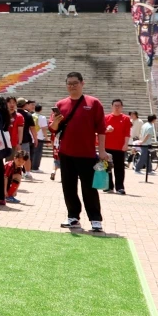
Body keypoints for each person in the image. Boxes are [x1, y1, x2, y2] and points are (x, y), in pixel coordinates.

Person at [49, 72, 108, 230]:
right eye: (69, 83)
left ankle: (95, 219)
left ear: (82, 83)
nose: (72, 86)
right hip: (66, 153)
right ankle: (73, 217)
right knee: (68, 187)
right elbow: (53, 129)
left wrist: (102, 151)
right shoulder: (61, 104)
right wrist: (55, 122)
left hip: (87, 154)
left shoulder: (93, 103)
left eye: (75, 83)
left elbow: (101, 129)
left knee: (89, 188)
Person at [103, 98, 130, 194]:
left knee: (119, 168)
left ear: (122, 107)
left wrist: (126, 144)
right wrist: (107, 130)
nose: (117, 107)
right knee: (107, 167)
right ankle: (108, 186)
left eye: (119, 106)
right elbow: (101, 131)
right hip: (107, 146)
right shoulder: (106, 118)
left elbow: (127, 133)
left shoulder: (126, 118)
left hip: (120, 147)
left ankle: (120, 187)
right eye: (115, 105)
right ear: (112, 106)